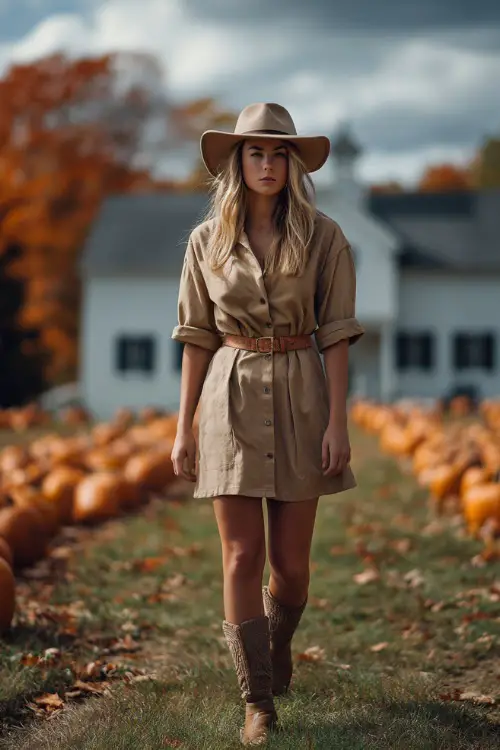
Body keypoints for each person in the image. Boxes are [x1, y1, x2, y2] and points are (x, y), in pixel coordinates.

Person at [171, 102, 365, 746]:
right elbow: (196, 337)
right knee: (240, 554)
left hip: (303, 393)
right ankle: (257, 703)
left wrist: (338, 421)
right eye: (255, 152)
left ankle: (276, 647)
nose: (267, 163)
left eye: (278, 152)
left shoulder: (325, 237)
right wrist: (184, 427)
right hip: (228, 391)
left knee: (291, 565)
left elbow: (335, 334)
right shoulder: (205, 243)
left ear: (292, 164)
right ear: (236, 161)